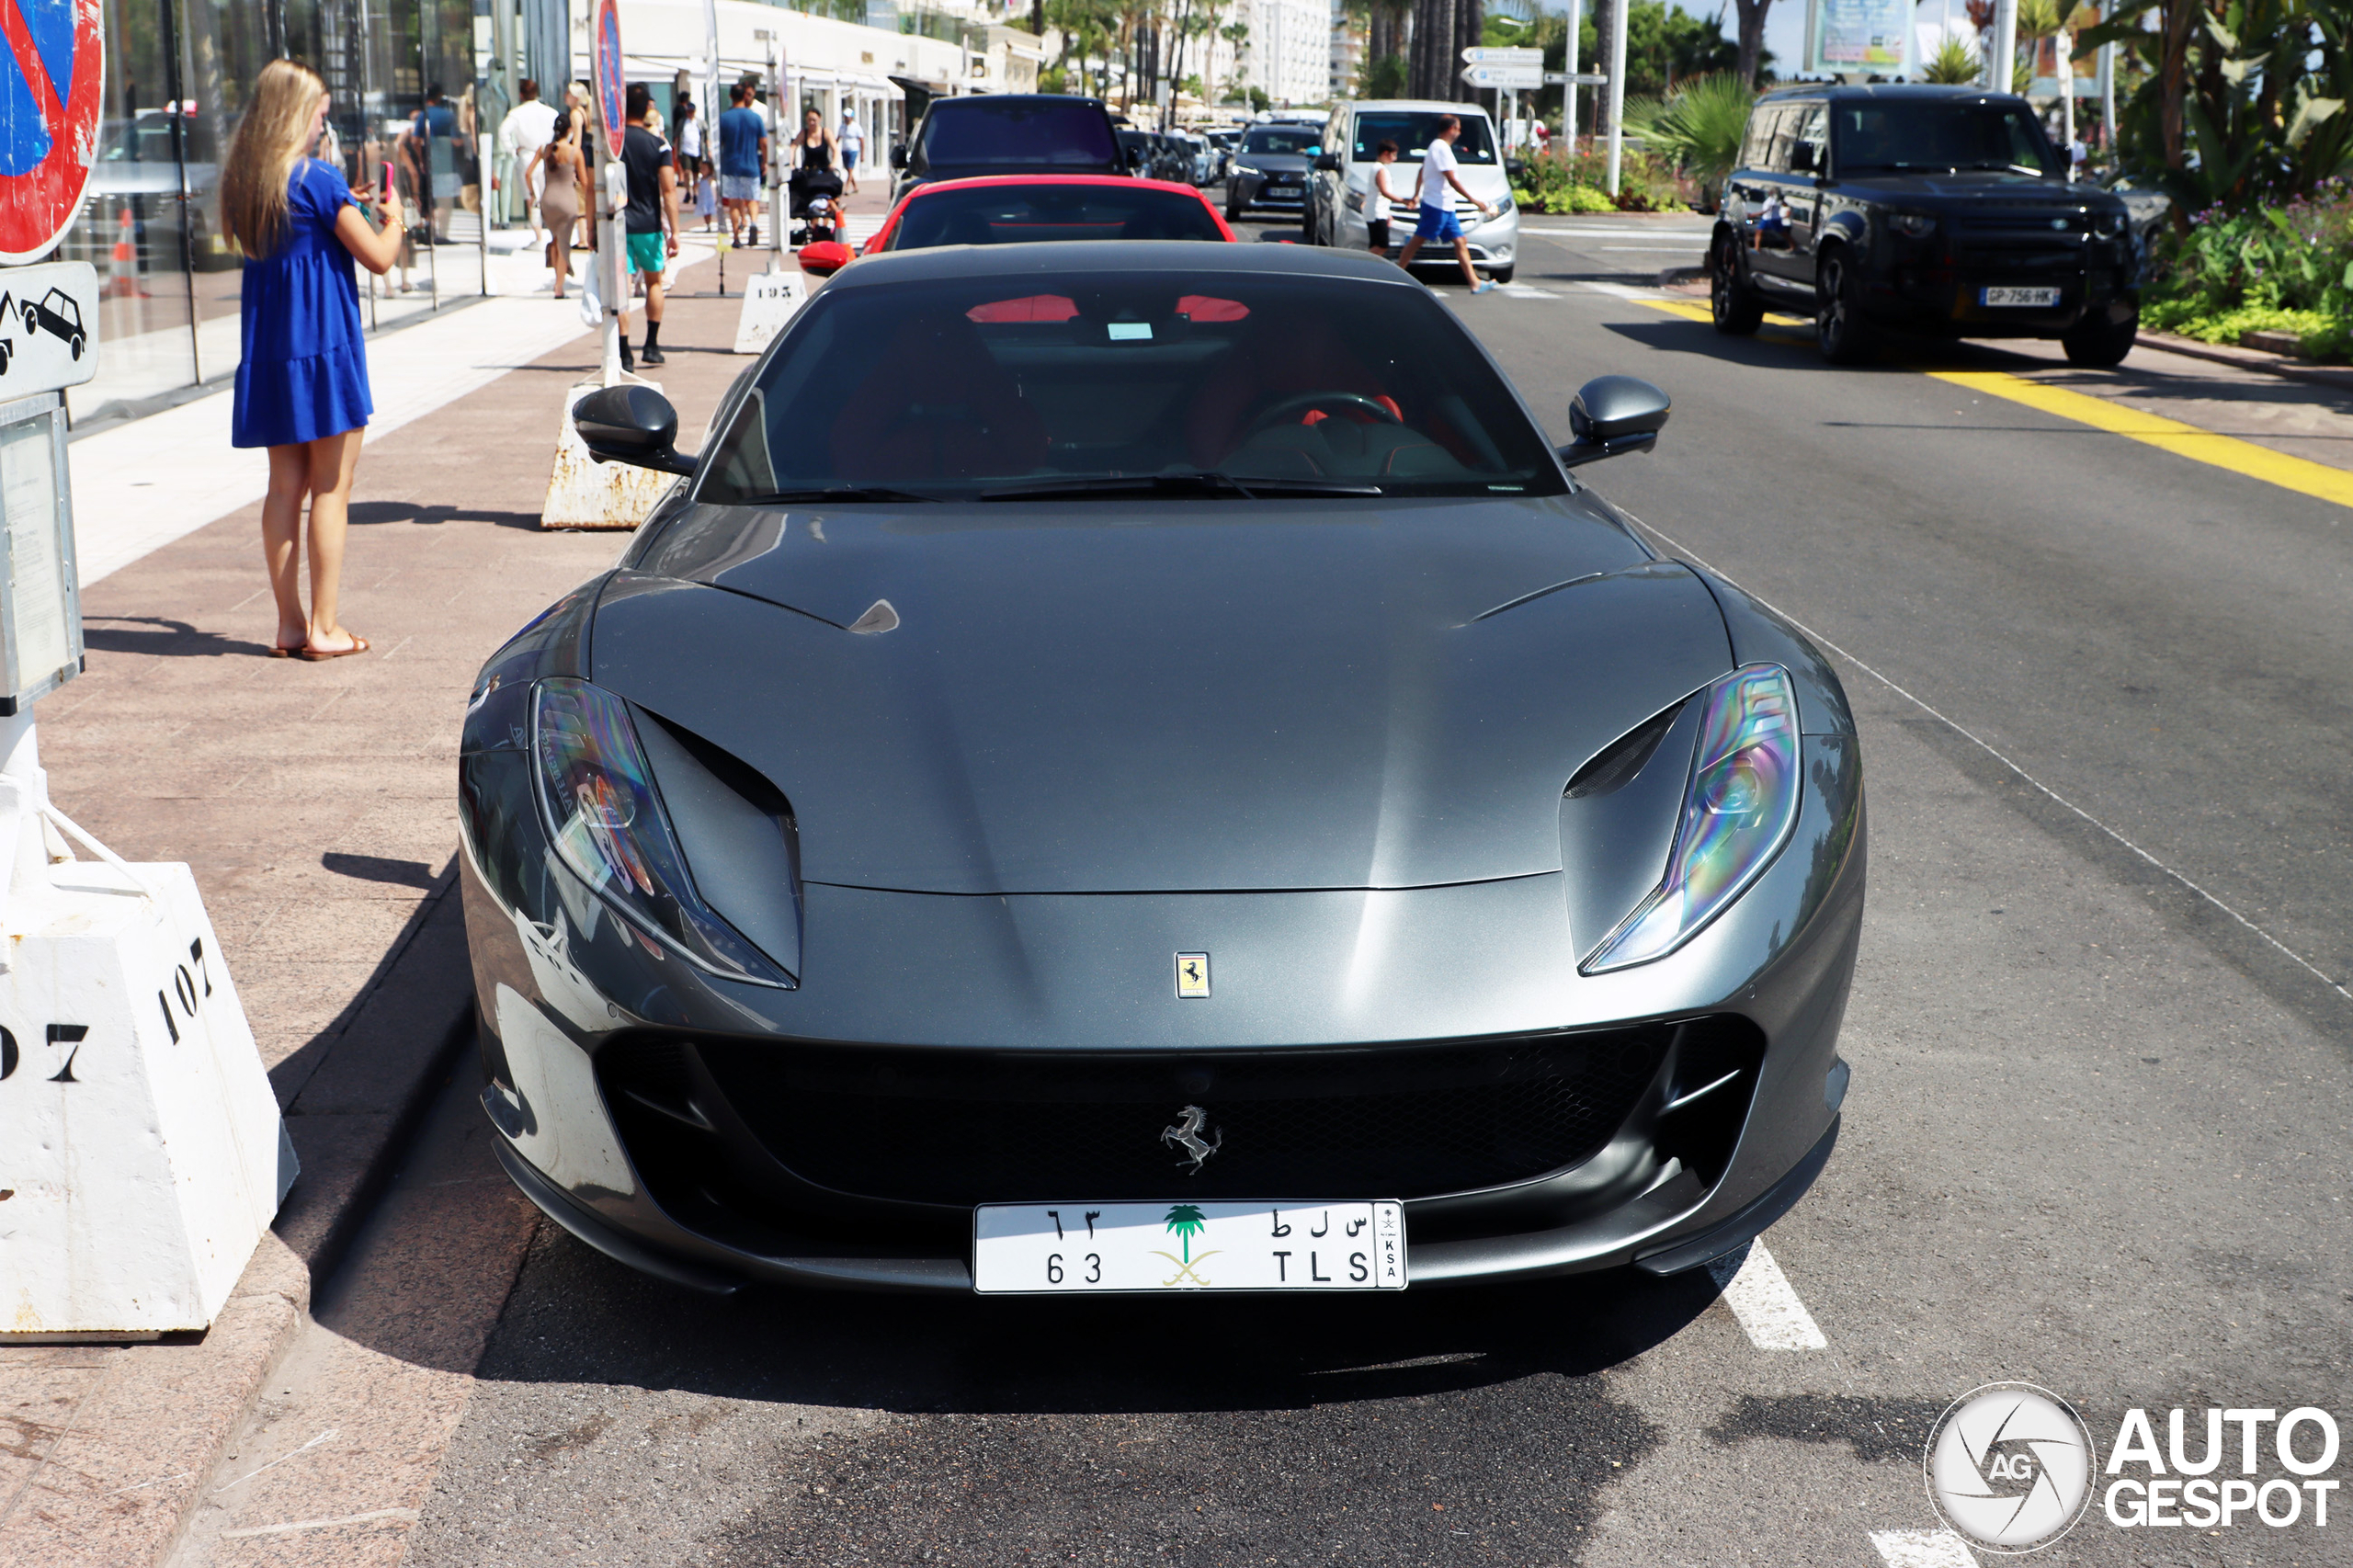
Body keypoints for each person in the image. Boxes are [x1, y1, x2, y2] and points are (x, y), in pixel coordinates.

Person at [220, 59, 404, 660]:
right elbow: (378, 256)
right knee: (332, 487)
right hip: (324, 349)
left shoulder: (247, 185)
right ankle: (326, 628)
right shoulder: (319, 180)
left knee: (283, 489)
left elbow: (295, 229)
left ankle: (291, 625)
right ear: (296, 113)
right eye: (319, 109)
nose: (324, 120)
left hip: (273, 352)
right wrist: (396, 219)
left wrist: (339, 203)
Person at [1395, 114, 1497, 293]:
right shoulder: (1441, 148)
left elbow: (1422, 170)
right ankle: (1396, 274)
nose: (1459, 132)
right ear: (1451, 129)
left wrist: (1416, 193)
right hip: (1437, 205)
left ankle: (1474, 282)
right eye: (1458, 128)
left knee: (1460, 241)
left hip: (1445, 206)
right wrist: (1474, 201)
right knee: (1417, 240)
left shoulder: (1436, 147)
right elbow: (1451, 179)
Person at [618, 82, 681, 369]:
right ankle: (652, 345)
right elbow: (668, 190)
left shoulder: (613, 144)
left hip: (618, 225)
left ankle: (623, 351)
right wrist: (675, 232)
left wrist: (592, 229)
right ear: (647, 110)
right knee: (654, 281)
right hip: (649, 225)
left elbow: (593, 186)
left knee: (623, 286)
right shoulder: (658, 145)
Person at [535, 108, 588, 297]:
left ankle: (558, 277)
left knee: (557, 240)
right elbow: (585, 182)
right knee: (564, 242)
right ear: (570, 130)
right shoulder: (575, 152)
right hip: (567, 199)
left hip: (548, 199)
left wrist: (534, 195)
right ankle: (559, 286)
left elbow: (528, 173)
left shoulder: (545, 149)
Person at [496, 78, 558, 239]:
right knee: (547, 195)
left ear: (521, 94)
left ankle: (538, 235)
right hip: (547, 155)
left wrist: (512, 150)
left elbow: (503, 131)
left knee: (531, 196)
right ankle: (552, 232)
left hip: (527, 156)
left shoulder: (517, 113)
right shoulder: (550, 112)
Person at [717, 83, 768, 246]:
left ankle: (736, 237)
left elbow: (719, 144)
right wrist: (765, 161)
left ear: (730, 96)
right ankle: (753, 222)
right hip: (751, 164)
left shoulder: (724, 118)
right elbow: (764, 143)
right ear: (745, 96)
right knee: (752, 199)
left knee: (734, 202)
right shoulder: (755, 117)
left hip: (731, 165)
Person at [1367, 138, 1402, 256]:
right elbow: (1384, 191)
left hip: (1378, 212)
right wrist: (1404, 201)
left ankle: (1371, 269)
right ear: (1386, 153)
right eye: (1394, 155)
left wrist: (1387, 213)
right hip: (1377, 213)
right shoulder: (1380, 169)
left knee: (1376, 244)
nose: (1395, 159)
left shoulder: (1377, 167)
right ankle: (1365, 266)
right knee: (1382, 245)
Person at [838, 107, 864, 195]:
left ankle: (847, 188)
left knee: (850, 168)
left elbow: (862, 140)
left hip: (853, 150)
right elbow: (838, 138)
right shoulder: (842, 127)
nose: (846, 118)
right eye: (845, 117)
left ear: (851, 117)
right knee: (848, 169)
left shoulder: (856, 127)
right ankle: (855, 187)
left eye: (848, 117)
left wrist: (862, 154)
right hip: (844, 150)